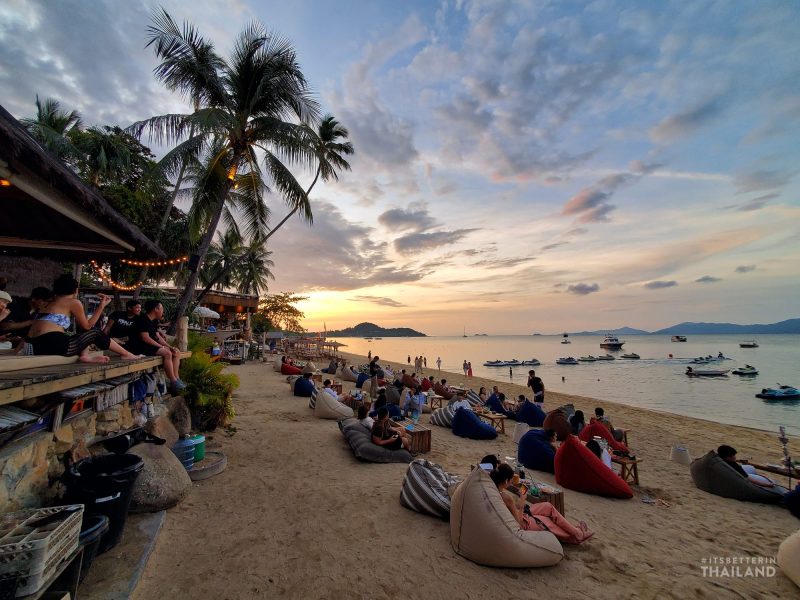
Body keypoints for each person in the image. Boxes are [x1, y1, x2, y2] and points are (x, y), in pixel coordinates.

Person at [25, 275, 138, 363]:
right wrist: (101, 306)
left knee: (83, 327)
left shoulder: (48, 302)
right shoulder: (73, 302)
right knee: (95, 332)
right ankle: (126, 353)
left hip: (31, 345)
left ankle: (85, 356)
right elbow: (88, 327)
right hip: (51, 344)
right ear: (76, 291)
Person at [491, 463, 592, 544]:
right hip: (524, 523)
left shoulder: (493, 489)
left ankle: (576, 531)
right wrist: (521, 502)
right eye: (510, 480)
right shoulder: (506, 498)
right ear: (505, 480)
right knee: (548, 522)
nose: (512, 482)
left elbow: (509, 511)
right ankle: (577, 535)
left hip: (519, 514)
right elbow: (519, 525)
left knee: (548, 507)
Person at [127, 299, 185, 391]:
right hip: (139, 346)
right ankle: (173, 381)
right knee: (167, 353)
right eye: (161, 308)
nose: (163, 311)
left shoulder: (153, 321)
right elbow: (145, 338)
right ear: (156, 309)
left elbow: (157, 337)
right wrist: (161, 347)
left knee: (176, 352)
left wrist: (169, 346)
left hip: (148, 345)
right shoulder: (143, 319)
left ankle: (177, 378)